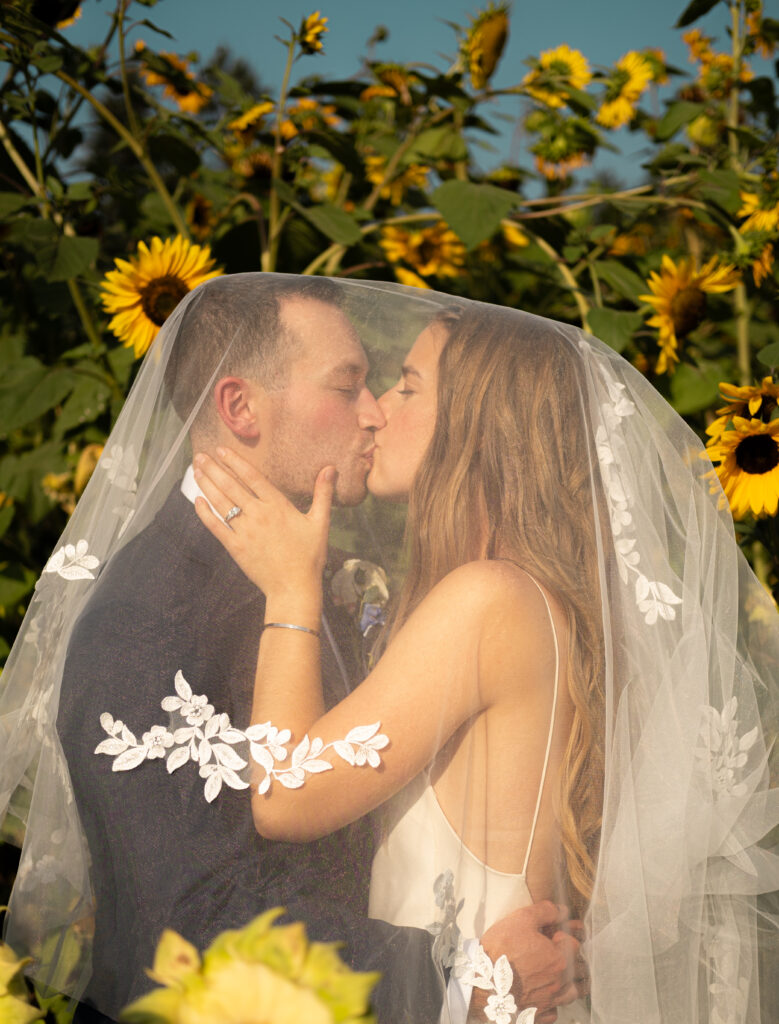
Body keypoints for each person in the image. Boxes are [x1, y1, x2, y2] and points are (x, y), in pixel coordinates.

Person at [0, 274, 582, 1023]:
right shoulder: (147, 616)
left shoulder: (316, 586)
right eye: (349, 385)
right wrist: (457, 977)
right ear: (239, 407)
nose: (372, 413)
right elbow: (186, 920)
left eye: (391, 386)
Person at [189, 293, 779, 1024]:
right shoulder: (542, 604)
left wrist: (288, 591)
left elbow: (285, 797)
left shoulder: (487, 600)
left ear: (476, 424)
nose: (375, 411)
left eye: (408, 385)